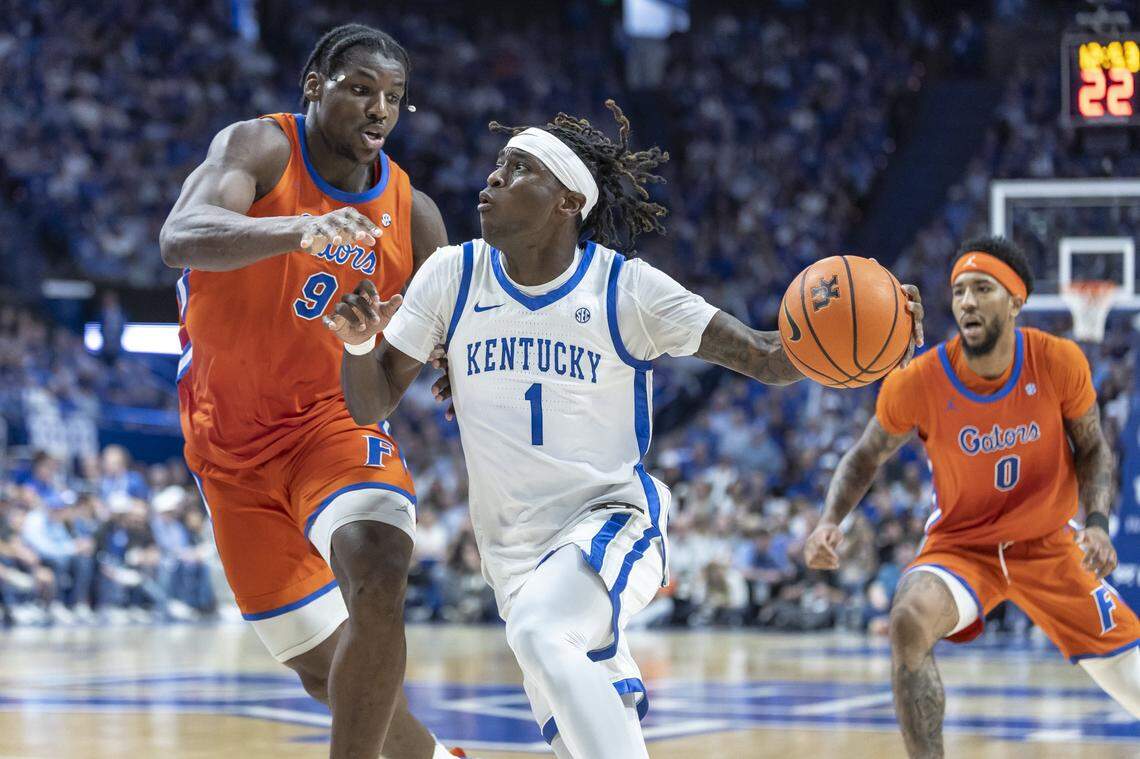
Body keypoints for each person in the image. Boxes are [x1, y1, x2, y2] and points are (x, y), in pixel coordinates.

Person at [327, 100, 924, 758]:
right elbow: (369, 400)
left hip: (610, 520)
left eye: (518, 168)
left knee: (541, 633)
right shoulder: (453, 276)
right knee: (588, 736)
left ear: (564, 202)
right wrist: (357, 346)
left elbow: (766, 354)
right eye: (497, 166)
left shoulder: (626, 289)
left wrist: (877, 341)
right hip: (513, 558)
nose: (492, 179)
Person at [158, 22, 456, 759]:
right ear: (316, 87)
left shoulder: (413, 215)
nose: (379, 109)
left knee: (379, 564)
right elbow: (181, 234)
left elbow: (455, 318)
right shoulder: (260, 147)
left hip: (329, 426)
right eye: (360, 89)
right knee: (329, 677)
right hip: (226, 448)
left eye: (394, 97)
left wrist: (442, 350)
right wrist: (298, 230)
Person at [804, 237, 1140, 758]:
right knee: (908, 618)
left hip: (1050, 544)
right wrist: (830, 521)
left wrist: (1096, 522)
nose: (966, 301)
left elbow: (1093, 447)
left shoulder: (1058, 362)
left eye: (982, 288)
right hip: (963, 548)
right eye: (959, 290)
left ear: (1015, 300)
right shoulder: (918, 382)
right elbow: (864, 456)